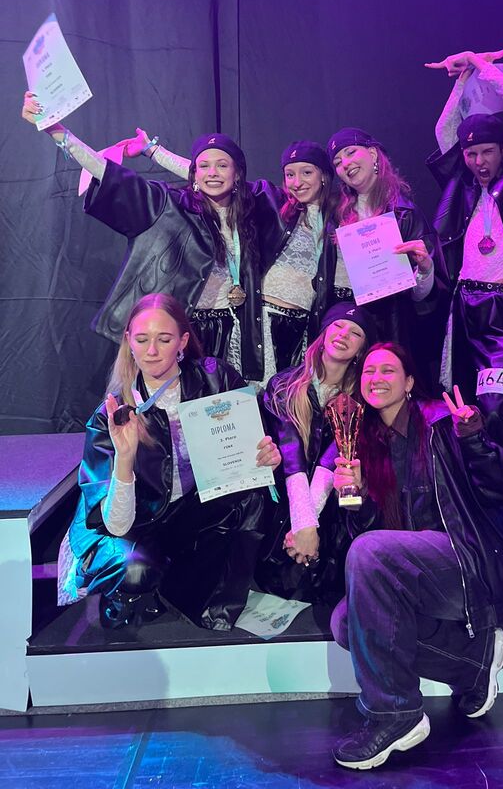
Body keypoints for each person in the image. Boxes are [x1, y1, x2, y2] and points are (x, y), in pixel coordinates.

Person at [329, 342, 503, 770]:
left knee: (369, 554)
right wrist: (354, 497)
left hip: (466, 560)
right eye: (369, 372)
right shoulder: (365, 442)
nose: (376, 378)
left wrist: (473, 438)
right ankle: (473, 663)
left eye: (388, 370)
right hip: (415, 573)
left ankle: (394, 714)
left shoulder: (442, 422)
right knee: (344, 623)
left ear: (410, 382)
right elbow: (366, 544)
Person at [21, 93, 283, 382]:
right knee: (177, 405)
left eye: (222, 165)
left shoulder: (254, 209)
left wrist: (153, 150)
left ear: (237, 174)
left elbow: (250, 186)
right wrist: (56, 130)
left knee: (233, 408)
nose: (213, 173)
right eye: (204, 166)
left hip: (238, 332)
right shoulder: (169, 206)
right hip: (185, 334)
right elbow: (105, 171)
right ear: (195, 173)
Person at [58, 293, 282, 631]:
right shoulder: (112, 414)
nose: (152, 351)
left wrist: (265, 457)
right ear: (129, 342)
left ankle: (199, 595)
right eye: (142, 340)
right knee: (136, 569)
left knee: (250, 499)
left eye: (164, 339)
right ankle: (130, 592)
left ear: (183, 342)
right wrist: (125, 457)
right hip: (129, 523)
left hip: (185, 509)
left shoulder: (216, 379)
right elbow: (116, 524)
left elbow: (249, 449)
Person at [121, 129, 337, 388]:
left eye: (307, 173)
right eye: (290, 174)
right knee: (240, 394)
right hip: (260, 322)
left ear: (324, 176)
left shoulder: (340, 217)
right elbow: (211, 174)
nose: (297, 182)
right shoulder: (273, 205)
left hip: (302, 327)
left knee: (289, 396)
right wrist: (154, 151)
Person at [425, 43, 503, 472]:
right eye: (471, 153)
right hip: (463, 306)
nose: (478, 160)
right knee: (462, 401)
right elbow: (445, 128)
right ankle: (474, 495)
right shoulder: (463, 181)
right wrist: (462, 81)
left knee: (498, 405)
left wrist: (477, 63)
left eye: (486, 151)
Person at [259, 302, 376, 602]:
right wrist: (303, 524)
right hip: (285, 499)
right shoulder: (283, 385)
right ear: (323, 333)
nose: (344, 335)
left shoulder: (361, 399)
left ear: (361, 349)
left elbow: (329, 463)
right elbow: (292, 459)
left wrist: (307, 528)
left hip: (332, 505)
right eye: (338, 326)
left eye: (355, 333)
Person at [314, 127, 444, 388]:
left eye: (351, 152)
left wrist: (425, 269)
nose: (345, 164)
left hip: (388, 322)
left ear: (373, 154)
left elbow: (422, 298)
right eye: (337, 162)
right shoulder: (334, 214)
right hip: (341, 319)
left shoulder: (406, 214)